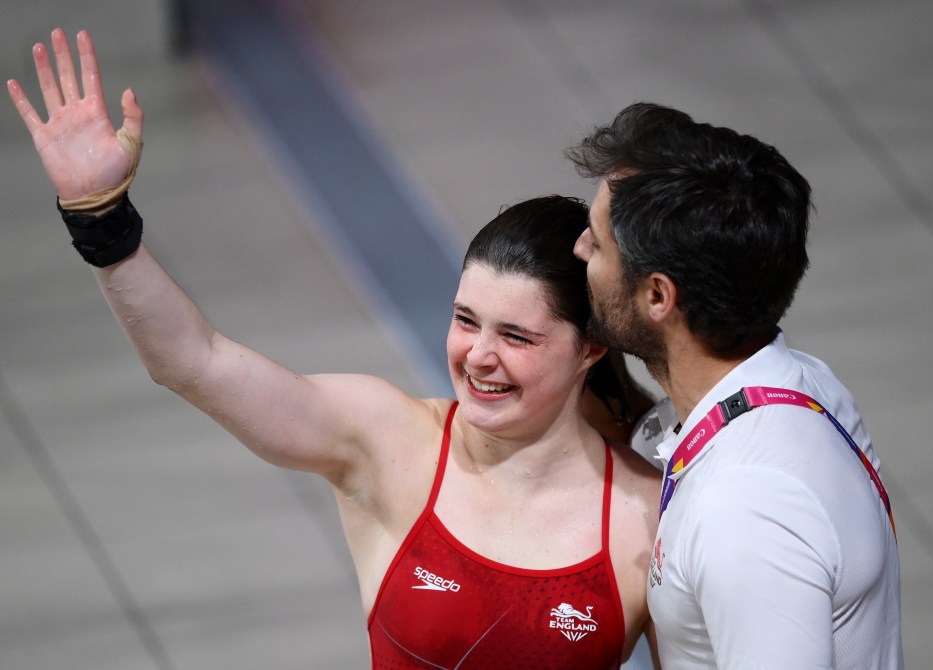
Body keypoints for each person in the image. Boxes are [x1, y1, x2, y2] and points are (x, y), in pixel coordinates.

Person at [7, 29, 663, 668]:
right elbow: (193, 361)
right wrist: (99, 218)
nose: (479, 356)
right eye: (466, 320)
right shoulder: (387, 442)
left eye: (516, 335)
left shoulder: (646, 514)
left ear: (591, 349)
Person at [568, 102, 903, 669]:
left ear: (657, 296)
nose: (579, 248)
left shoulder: (746, 507)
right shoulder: (805, 383)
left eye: (598, 243)